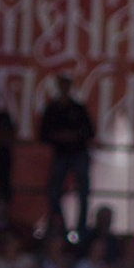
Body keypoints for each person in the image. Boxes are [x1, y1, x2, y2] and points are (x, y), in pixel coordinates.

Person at [38, 80, 96, 241]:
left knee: (82, 193)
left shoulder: (78, 109)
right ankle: (60, 225)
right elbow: (43, 133)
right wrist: (60, 136)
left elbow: (89, 132)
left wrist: (73, 136)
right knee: (54, 191)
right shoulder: (52, 109)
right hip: (60, 155)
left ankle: (81, 228)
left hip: (78, 154)